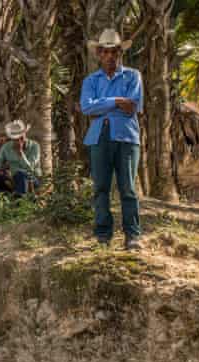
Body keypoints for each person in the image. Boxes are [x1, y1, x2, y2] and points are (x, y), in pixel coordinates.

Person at [80, 28, 144, 250]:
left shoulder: (133, 76)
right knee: (100, 188)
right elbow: (87, 107)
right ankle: (103, 235)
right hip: (99, 138)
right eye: (105, 52)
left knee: (128, 188)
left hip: (126, 137)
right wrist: (117, 100)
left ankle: (132, 235)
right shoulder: (90, 80)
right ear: (98, 53)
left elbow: (133, 106)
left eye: (114, 52)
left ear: (120, 53)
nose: (110, 56)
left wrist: (104, 104)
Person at [0, 120, 41, 198]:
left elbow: (30, 168)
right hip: (13, 179)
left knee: (21, 173)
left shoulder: (34, 146)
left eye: (21, 137)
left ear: (25, 134)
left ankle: (21, 203)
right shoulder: (7, 147)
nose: (19, 141)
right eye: (16, 139)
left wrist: (20, 153)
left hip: (32, 179)